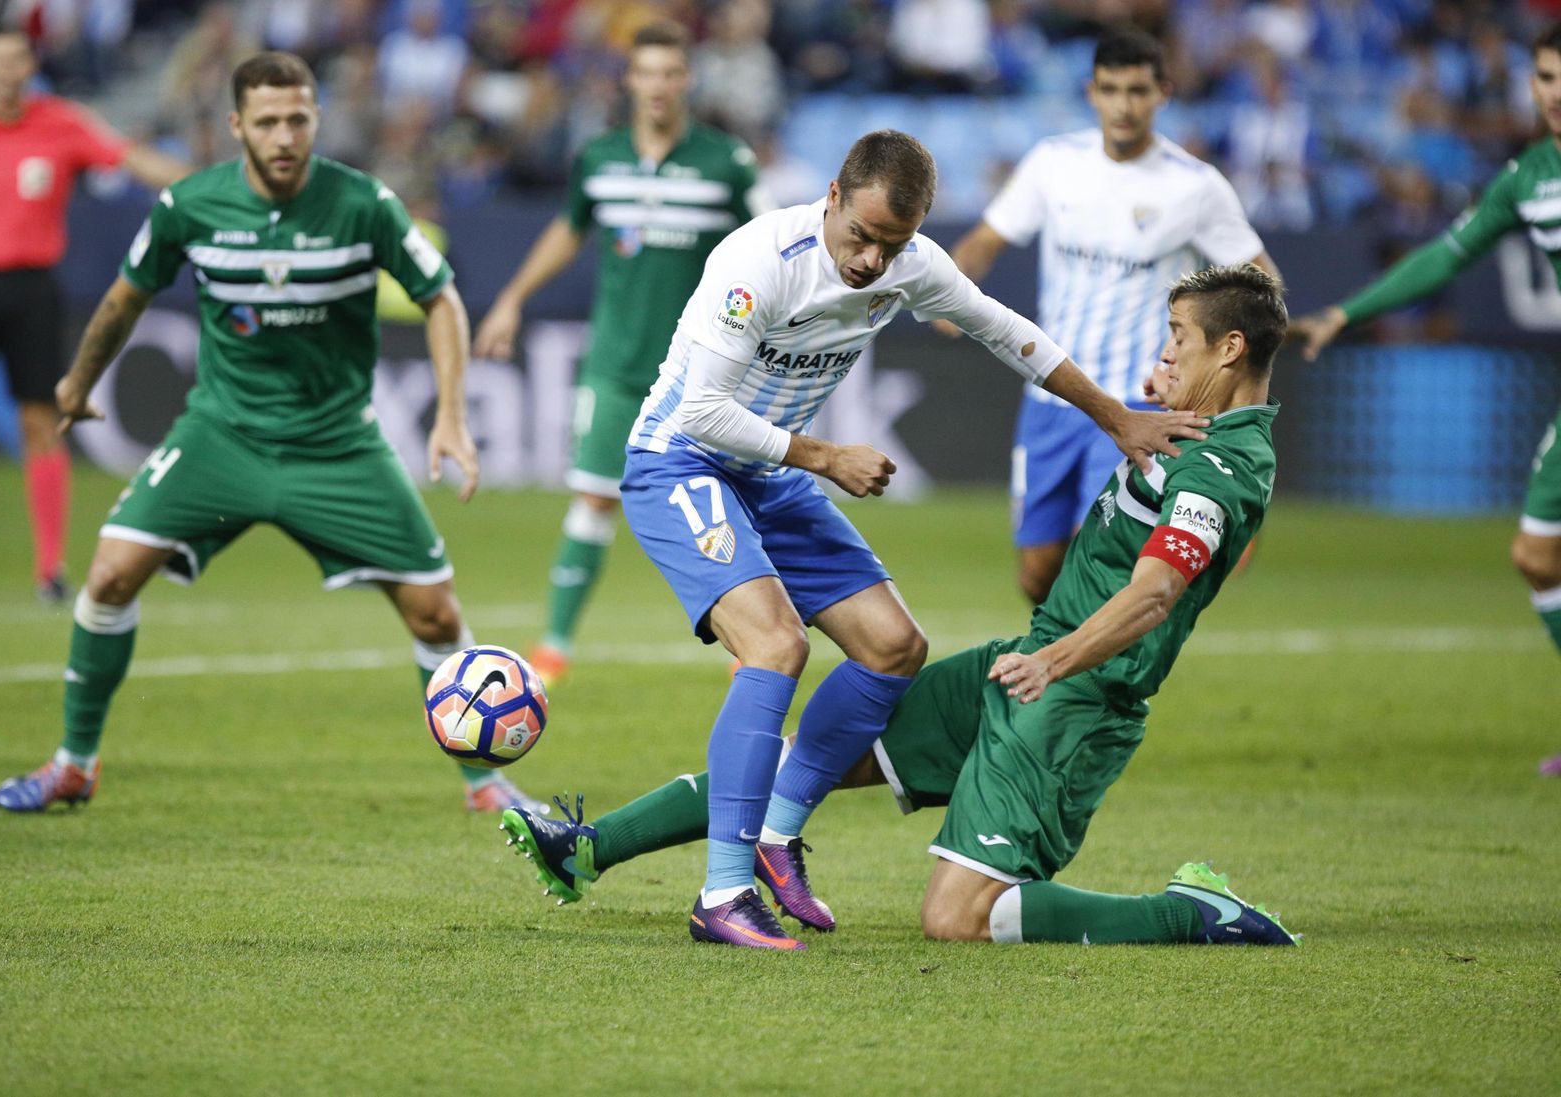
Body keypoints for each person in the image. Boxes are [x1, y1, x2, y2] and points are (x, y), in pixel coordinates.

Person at [503, 264, 1299, 949]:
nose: (1163, 352)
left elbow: (1157, 590)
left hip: (1077, 697)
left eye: (1178, 339)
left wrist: (1054, 662)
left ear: (1230, 349)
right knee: (810, 755)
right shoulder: (1191, 428)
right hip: (1023, 663)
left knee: (958, 919)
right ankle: (588, 848)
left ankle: (1190, 915)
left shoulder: (1227, 468)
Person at [606, 128, 1211, 950]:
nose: (870, 263)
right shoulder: (758, 261)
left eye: (891, 245)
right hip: (681, 462)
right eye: (859, 236)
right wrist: (826, 456)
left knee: (893, 646)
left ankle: (779, 834)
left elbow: (1006, 331)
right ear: (831, 197)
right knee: (777, 646)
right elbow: (701, 412)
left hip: (770, 471)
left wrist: (1115, 416)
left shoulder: (910, 262)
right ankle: (722, 892)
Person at [0, 51, 536, 816]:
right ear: (236, 126)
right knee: (110, 574)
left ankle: (486, 782)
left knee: (437, 613)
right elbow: (123, 298)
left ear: (316, 118)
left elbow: (441, 297)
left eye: (299, 119)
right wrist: (79, 383)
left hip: (337, 445)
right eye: (269, 120)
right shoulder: (189, 204)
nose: (285, 135)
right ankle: (74, 763)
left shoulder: (365, 204)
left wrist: (451, 413)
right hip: (223, 436)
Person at [1289, 23, 1561, 779]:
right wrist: (1347, 312)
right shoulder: (1528, 178)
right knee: (1537, 556)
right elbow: (1447, 253)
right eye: (1545, 76)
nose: (1556, 92)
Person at [938, 26, 1279, 604]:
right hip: (1052, 396)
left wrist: (1212, 371)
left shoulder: (1195, 187)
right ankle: (1066, 663)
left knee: (1095, 555)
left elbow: (1263, 284)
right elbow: (985, 240)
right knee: (1037, 575)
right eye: (1112, 89)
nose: (1124, 105)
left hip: (1136, 403)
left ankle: (1078, 683)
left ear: (1163, 93)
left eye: (1138, 91)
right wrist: (950, 290)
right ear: (1091, 92)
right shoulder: (1053, 163)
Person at [474, 22, 768, 686]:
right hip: (614, 362)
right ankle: (553, 645)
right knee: (592, 499)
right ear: (628, 81)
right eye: (648, 73)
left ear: (686, 80)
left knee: (723, 502)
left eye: (671, 73)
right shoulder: (600, 159)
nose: (659, 85)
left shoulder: (727, 162)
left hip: (702, 369)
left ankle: (748, 642)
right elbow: (568, 229)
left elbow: (770, 239)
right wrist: (512, 297)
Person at [0, 27, 190, 604]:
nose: (6, 71)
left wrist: (205, 185)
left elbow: (129, 159)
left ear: (30, 66)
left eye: (17, 60)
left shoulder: (59, 123)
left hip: (32, 287)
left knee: (40, 422)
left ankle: (50, 570)